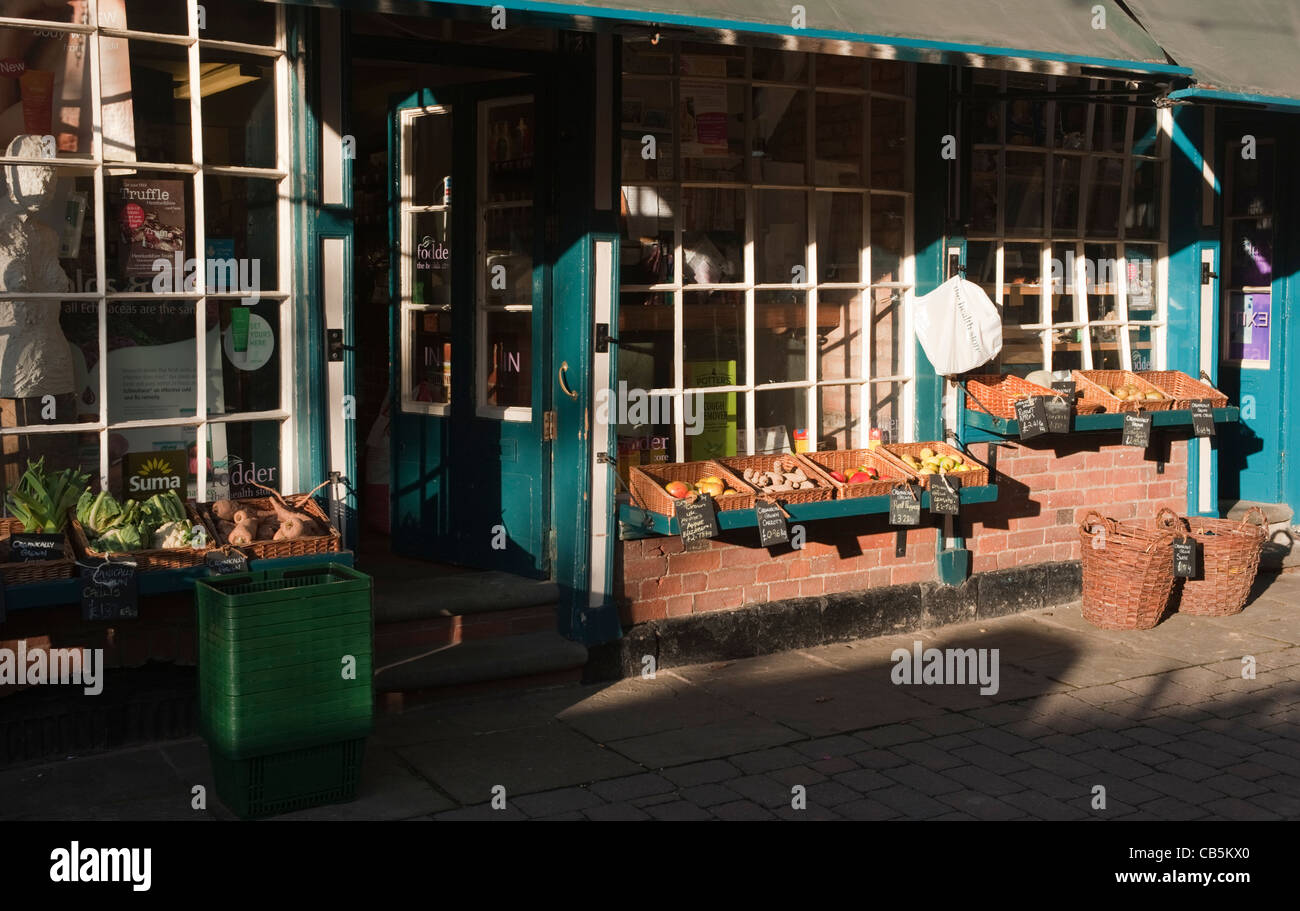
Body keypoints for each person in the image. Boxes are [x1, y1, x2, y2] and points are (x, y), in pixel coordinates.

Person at [0, 134, 79, 487]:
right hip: (12, 367)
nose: (46, 180)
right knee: (19, 474)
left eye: (50, 172)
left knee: (56, 464)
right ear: (11, 174)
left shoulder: (46, 235)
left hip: (54, 359)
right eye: (37, 171)